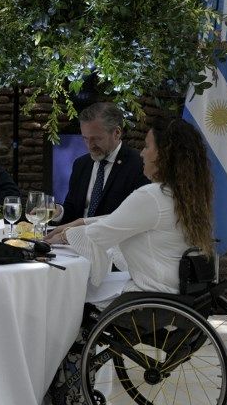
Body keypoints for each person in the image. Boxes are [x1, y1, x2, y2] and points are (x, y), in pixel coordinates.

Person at [47, 117, 214, 293]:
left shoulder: (151, 195)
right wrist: (82, 222)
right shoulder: (181, 194)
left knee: (74, 292)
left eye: (147, 146)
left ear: (163, 154)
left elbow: (100, 234)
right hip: (178, 287)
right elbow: (124, 220)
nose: (142, 153)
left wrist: (61, 237)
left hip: (152, 290)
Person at [56, 102, 150, 224]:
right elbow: (72, 210)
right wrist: (58, 212)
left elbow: (136, 217)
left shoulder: (139, 165)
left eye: (96, 138)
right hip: (75, 240)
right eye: (85, 138)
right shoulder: (80, 164)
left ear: (116, 133)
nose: (90, 146)